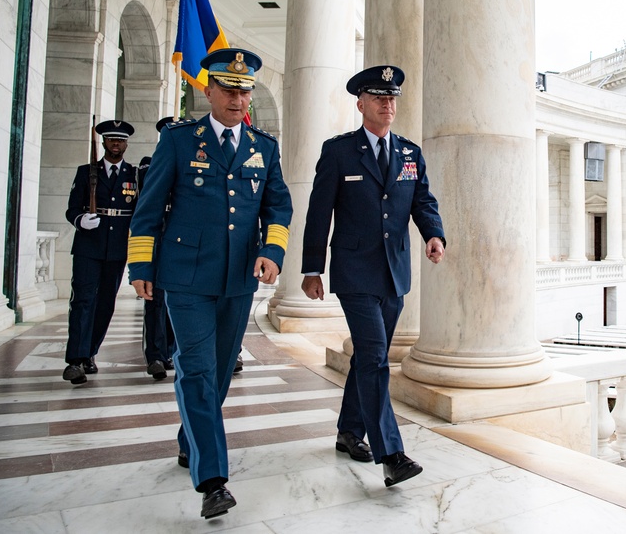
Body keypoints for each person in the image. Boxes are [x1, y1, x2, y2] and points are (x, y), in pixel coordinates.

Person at [127, 48, 292, 519]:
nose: (239, 98)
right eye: (229, 89)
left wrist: (272, 252)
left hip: (239, 279)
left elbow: (277, 206)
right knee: (196, 369)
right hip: (186, 277)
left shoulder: (264, 146)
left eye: (245, 90)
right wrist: (142, 268)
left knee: (218, 375)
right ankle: (213, 479)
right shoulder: (180, 141)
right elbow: (149, 208)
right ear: (208, 90)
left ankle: (190, 440)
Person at [301, 65, 445, 488]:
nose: (388, 105)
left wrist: (434, 234)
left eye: (392, 98)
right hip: (354, 272)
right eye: (379, 98)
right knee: (377, 358)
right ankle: (391, 453)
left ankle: (349, 432)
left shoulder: (409, 153)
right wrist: (312, 269)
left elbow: (423, 201)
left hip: (394, 273)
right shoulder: (339, 152)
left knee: (368, 358)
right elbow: (318, 213)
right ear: (361, 103)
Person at [62, 120, 137, 385]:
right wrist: (80, 219)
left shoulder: (134, 175)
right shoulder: (86, 172)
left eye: (120, 140)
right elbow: (72, 209)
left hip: (117, 248)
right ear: (104, 143)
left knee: (105, 303)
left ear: (126, 144)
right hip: (88, 245)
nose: (116, 144)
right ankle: (75, 359)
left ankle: (90, 353)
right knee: (82, 300)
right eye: (111, 140)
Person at [138, 116, 177, 380]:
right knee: (155, 302)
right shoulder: (146, 168)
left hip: (179, 243)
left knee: (176, 302)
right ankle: (155, 355)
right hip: (157, 242)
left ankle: (172, 352)